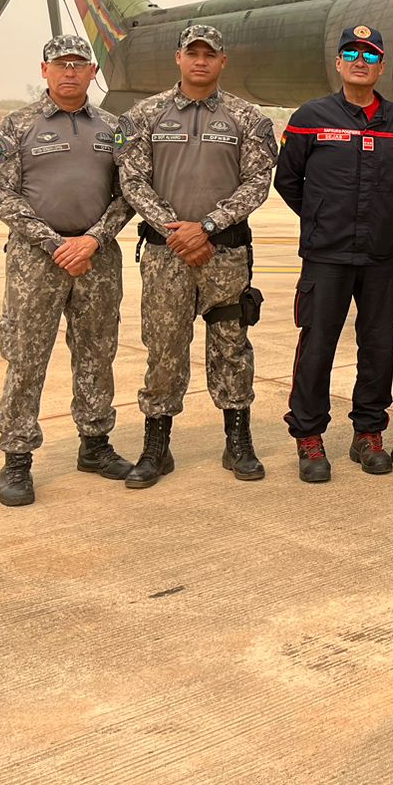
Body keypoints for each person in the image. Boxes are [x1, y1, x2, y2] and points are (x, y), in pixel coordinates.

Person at [117, 24, 277, 489]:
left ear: (223, 62)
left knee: (231, 345)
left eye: (210, 54)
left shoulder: (248, 118)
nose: (201, 61)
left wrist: (206, 227)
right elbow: (132, 181)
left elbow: (257, 183)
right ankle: (156, 447)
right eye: (193, 53)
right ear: (178, 59)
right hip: (166, 253)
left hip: (224, 252)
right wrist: (176, 229)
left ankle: (238, 441)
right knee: (164, 347)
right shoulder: (145, 115)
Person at [0, 35, 134, 506]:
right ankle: (17, 457)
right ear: (44, 70)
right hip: (35, 259)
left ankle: (94, 444)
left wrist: (92, 239)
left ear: (92, 72)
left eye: (79, 64)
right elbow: (1, 196)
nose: (70, 71)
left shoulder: (114, 127)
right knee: (27, 356)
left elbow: (129, 193)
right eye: (60, 64)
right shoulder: (16, 125)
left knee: (97, 353)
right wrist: (54, 243)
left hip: (98, 257)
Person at [274, 25, 393, 482]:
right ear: (338, 63)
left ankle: (368, 433)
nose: (361, 60)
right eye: (352, 53)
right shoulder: (310, 116)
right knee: (317, 346)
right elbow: (288, 180)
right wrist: (320, 218)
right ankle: (309, 437)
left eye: (371, 55)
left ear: (380, 66)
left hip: (380, 257)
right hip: (327, 256)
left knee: (378, 349)